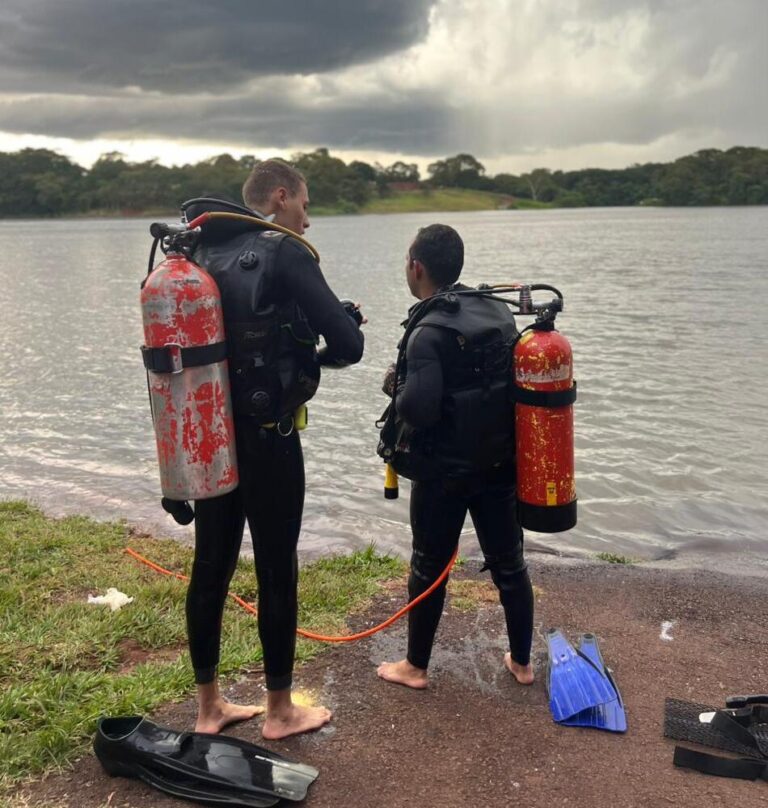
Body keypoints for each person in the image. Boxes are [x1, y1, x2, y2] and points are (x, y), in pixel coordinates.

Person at [185, 159, 364, 738]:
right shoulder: (281, 252)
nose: (307, 220)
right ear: (281, 197)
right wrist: (335, 333)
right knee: (276, 569)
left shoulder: (195, 254)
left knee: (210, 564)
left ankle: (209, 707)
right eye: (305, 206)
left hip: (210, 436)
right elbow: (348, 344)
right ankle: (280, 711)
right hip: (270, 440)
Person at [377, 224, 534, 689]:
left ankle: (415, 667)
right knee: (510, 564)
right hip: (499, 466)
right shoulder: (496, 312)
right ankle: (523, 663)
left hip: (442, 474)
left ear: (416, 267)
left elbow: (419, 409)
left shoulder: (428, 329)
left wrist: (393, 384)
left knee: (428, 564)